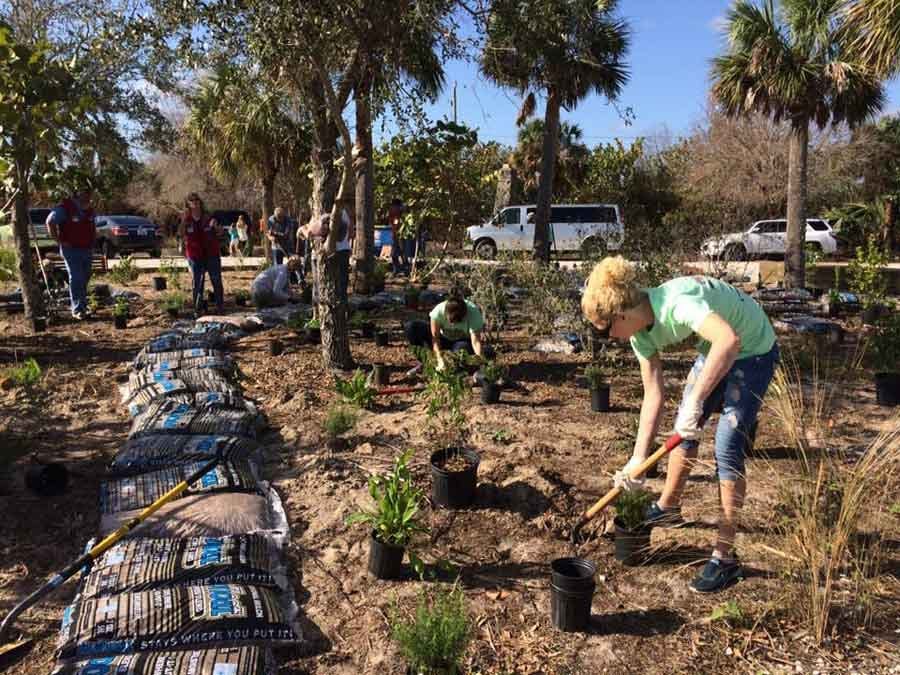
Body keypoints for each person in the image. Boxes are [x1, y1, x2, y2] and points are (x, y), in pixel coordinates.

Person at [581, 256, 779, 593]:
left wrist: (696, 401)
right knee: (683, 428)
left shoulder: (678, 304)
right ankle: (668, 507)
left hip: (754, 348)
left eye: (605, 329)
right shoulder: (639, 335)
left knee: (726, 444)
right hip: (717, 346)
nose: (609, 337)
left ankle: (724, 558)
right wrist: (636, 461)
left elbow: (729, 341)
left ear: (622, 314)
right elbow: (653, 394)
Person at [406, 289, 490, 371]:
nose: (453, 325)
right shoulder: (438, 312)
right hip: (443, 339)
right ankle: (426, 361)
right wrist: (439, 359)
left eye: (457, 322)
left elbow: (475, 342)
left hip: (461, 342)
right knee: (412, 326)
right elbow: (435, 338)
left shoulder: (473, 313)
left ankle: (453, 364)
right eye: (451, 321)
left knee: (461, 352)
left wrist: (481, 363)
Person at [46, 184, 97, 320]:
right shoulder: (65, 208)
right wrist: (59, 241)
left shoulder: (90, 209)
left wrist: (93, 243)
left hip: (86, 249)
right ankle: (77, 309)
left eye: (89, 192)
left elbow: (92, 226)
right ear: (77, 193)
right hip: (71, 250)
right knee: (76, 277)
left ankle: (82, 305)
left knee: (85, 277)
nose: (88, 195)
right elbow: (50, 221)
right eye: (85, 192)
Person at [179, 193, 224, 316]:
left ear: (200, 202)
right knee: (197, 284)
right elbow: (181, 235)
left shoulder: (208, 218)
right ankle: (197, 309)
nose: (195, 202)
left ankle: (220, 307)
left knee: (216, 281)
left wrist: (217, 227)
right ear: (188, 204)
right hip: (195, 256)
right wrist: (183, 221)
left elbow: (220, 233)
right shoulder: (186, 220)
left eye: (197, 200)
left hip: (211, 255)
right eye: (192, 201)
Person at [387, 198, 405, 275]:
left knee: (399, 252)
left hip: (399, 236)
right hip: (395, 235)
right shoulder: (393, 215)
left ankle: (401, 268)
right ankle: (397, 268)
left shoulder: (399, 215)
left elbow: (396, 224)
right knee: (395, 253)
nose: (391, 208)